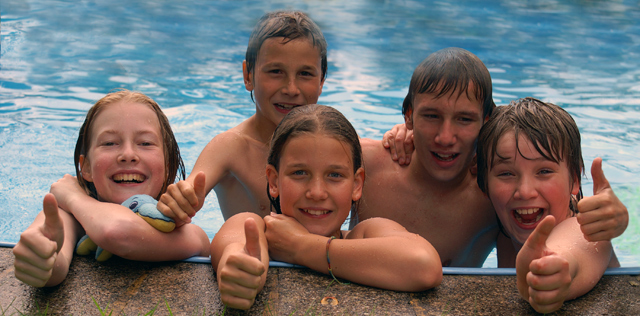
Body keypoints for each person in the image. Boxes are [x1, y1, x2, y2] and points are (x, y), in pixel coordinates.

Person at [360, 47, 629, 267]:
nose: (445, 137)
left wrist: (613, 217)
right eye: (431, 116)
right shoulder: (364, 164)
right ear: (409, 115)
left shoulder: (496, 193)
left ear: (485, 122)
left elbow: (562, 214)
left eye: (464, 119)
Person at [211, 104, 442, 310]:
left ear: (356, 184)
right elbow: (236, 247)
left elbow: (424, 264)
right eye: (299, 173)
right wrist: (240, 270)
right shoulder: (253, 230)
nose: (317, 192)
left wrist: (301, 246)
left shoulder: (364, 235)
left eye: (334, 175)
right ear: (273, 181)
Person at [12, 90, 211, 287]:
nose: (128, 154)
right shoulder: (66, 217)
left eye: (145, 143)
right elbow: (54, 261)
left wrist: (74, 197)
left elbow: (117, 232)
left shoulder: (188, 233)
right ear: (86, 168)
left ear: (168, 166)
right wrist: (43, 262)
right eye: (109, 143)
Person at [157, 10, 327, 226]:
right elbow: (192, 187)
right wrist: (181, 198)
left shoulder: (337, 145)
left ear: (321, 80)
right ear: (248, 76)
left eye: (305, 74)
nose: (291, 89)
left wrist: (385, 144)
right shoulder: (231, 148)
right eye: (275, 71)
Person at [476, 97, 620, 313]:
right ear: (485, 185)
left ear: (574, 179)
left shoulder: (584, 229)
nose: (525, 191)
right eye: (506, 173)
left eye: (544, 172)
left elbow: (570, 252)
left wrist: (550, 271)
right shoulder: (502, 225)